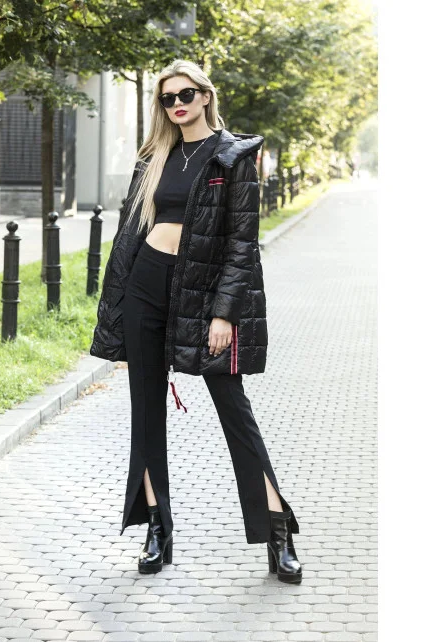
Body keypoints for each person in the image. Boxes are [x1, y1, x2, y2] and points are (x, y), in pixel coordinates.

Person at [90, 59, 302, 583]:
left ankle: (277, 529)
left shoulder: (233, 156)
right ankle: (156, 527)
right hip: (146, 283)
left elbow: (242, 244)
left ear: (205, 95)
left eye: (185, 94)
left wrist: (224, 312)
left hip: (204, 294)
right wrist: (116, 301)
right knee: (146, 409)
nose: (177, 104)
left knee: (233, 408)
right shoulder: (154, 158)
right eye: (167, 98)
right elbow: (130, 231)